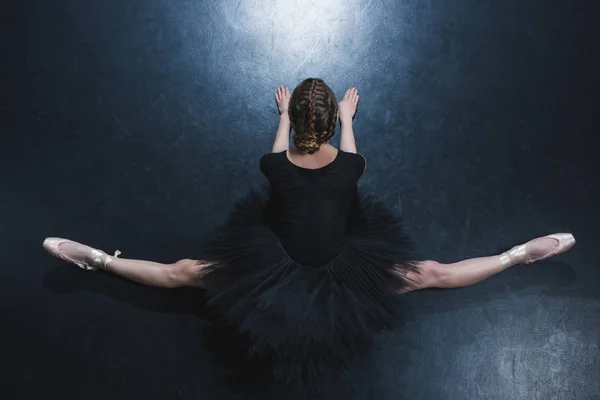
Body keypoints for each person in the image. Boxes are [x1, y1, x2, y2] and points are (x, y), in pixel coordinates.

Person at [43, 78, 575, 386]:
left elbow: (279, 154)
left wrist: (281, 119)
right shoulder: (351, 166)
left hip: (306, 268)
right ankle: (99, 259)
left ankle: (518, 255)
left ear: (296, 122)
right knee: (432, 274)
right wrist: (346, 116)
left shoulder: (274, 166)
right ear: (325, 126)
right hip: (302, 266)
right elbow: (351, 150)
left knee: (182, 273)